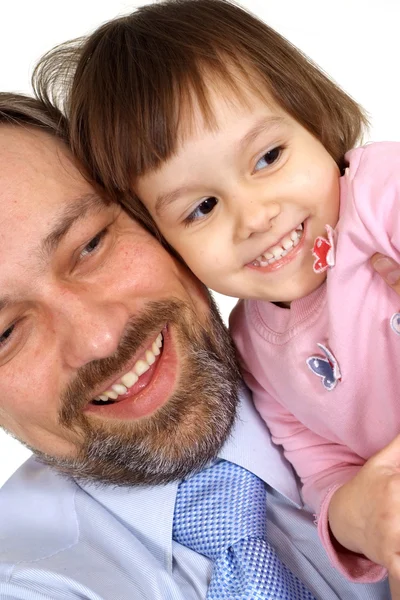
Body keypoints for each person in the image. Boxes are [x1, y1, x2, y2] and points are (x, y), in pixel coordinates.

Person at [33, 0, 400, 586]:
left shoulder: (381, 195)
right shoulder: (253, 349)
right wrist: (364, 518)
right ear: (163, 241)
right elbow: (323, 467)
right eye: (201, 208)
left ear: (315, 121)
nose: (254, 216)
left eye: (268, 157)